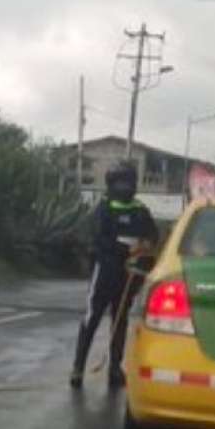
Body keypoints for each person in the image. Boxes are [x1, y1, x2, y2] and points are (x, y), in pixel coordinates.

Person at [70, 160, 159, 389]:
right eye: (119, 182)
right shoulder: (104, 207)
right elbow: (99, 239)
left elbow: (153, 237)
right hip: (105, 270)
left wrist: (144, 249)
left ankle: (114, 370)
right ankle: (78, 368)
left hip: (129, 275)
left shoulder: (140, 210)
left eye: (127, 181)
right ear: (111, 184)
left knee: (120, 321)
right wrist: (124, 250)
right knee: (92, 317)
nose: (124, 186)